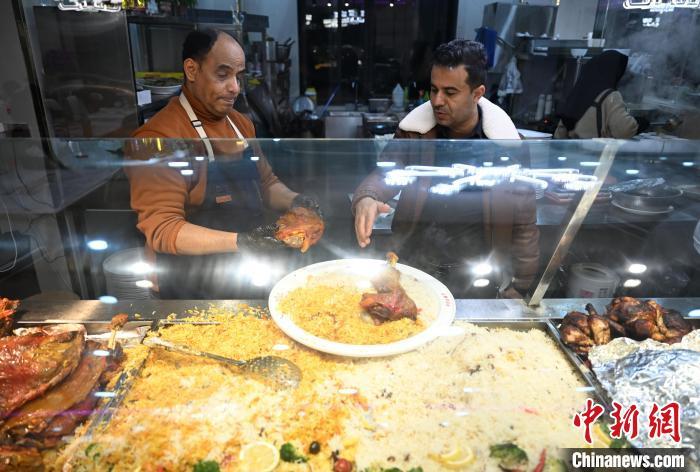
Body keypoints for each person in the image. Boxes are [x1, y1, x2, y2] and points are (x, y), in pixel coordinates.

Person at [125, 29, 322, 298]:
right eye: (222, 75)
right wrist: (242, 241)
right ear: (192, 70)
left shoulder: (241, 124)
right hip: (192, 282)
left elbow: (267, 183)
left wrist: (297, 201)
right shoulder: (160, 137)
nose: (235, 88)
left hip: (248, 270)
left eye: (238, 76)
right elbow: (163, 229)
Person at [352, 39, 539, 298]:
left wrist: (521, 285)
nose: (437, 101)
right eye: (434, 89)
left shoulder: (507, 146)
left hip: (477, 274)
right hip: (416, 265)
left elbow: (524, 222)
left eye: (450, 92)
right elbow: (387, 173)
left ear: (477, 93)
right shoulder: (415, 133)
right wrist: (368, 196)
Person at [554, 50, 646, 139]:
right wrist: (640, 123)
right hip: (596, 149)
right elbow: (624, 130)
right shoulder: (610, 95)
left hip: (573, 147)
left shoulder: (580, 91)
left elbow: (560, 132)